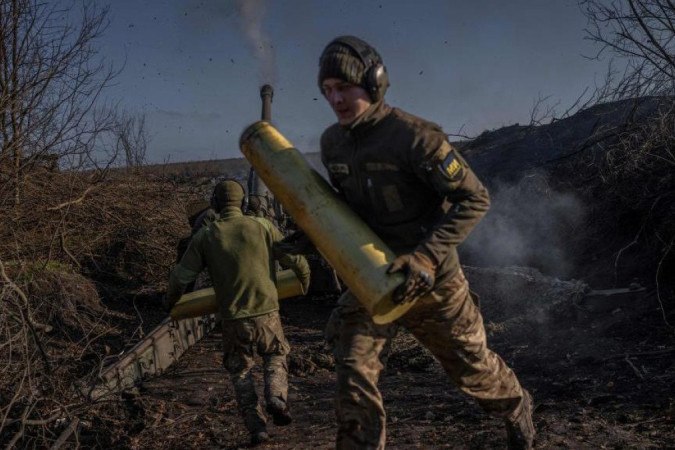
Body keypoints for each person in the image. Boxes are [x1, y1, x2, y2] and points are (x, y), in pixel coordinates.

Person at [314, 36, 535, 449]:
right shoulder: (332, 144)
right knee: (353, 370)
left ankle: (516, 405)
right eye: (327, 91)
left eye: (344, 87)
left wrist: (427, 257)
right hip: (372, 279)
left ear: (375, 82)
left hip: (432, 281)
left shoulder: (415, 137)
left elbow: (476, 199)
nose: (336, 99)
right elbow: (346, 209)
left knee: (475, 375)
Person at [164, 179, 311, 446]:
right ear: (243, 203)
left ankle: (257, 428)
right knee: (275, 356)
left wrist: (171, 302)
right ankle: (276, 397)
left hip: (232, 319)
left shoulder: (205, 236)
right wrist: (303, 281)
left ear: (215, 204)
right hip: (267, 313)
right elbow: (296, 258)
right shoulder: (263, 226)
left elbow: (180, 278)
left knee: (241, 372)